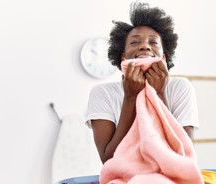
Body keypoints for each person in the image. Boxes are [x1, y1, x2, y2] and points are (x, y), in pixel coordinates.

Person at [85, 2, 199, 164]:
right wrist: (130, 97)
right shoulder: (102, 93)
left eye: (153, 42)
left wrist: (158, 93)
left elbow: (182, 156)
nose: (145, 46)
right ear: (123, 57)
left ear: (164, 58)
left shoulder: (180, 88)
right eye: (134, 42)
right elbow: (109, 160)